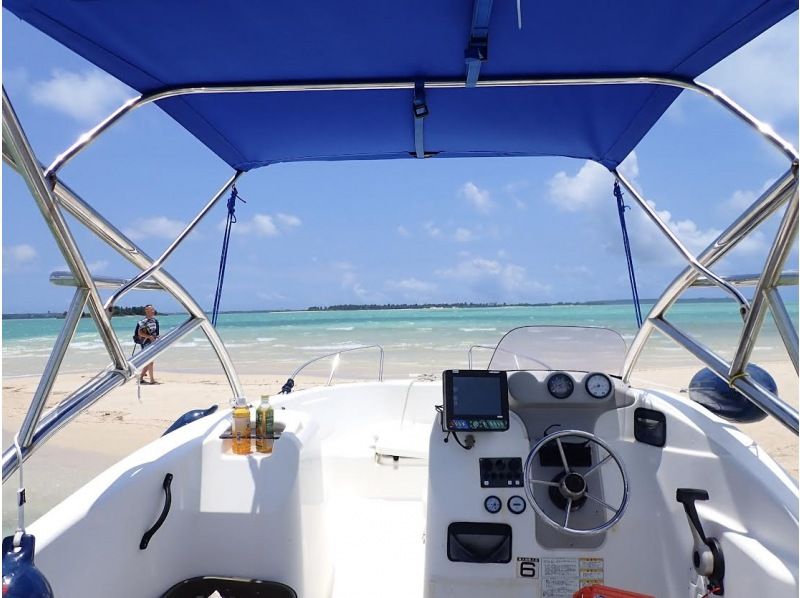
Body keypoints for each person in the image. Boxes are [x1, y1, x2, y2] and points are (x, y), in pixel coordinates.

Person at [137, 304, 160, 384]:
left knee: (148, 362)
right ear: (146, 311)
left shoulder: (155, 321)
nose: (151, 311)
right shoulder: (143, 322)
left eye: (152, 310)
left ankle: (140, 378)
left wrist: (157, 337)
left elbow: (156, 333)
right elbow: (139, 333)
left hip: (153, 343)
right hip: (146, 343)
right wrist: (149, 337)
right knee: (150, 361)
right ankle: (152, 380)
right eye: (149, 310)